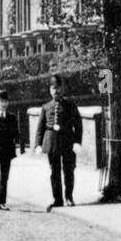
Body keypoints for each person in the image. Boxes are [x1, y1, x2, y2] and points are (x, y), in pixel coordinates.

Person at [35, 73, 84, 210]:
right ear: (50, 90)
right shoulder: (45, 107)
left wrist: (77, 142)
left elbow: (78, 125)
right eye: (53, 88)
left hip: (67, 141)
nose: (56, 91)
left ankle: (69, 197)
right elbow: (40, 127)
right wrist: (38, 144)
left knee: (69, 170)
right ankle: (58, 199)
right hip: (52, 142)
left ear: (62, 89)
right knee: (54, 171)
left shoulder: (70, 105)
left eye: (58, 88)